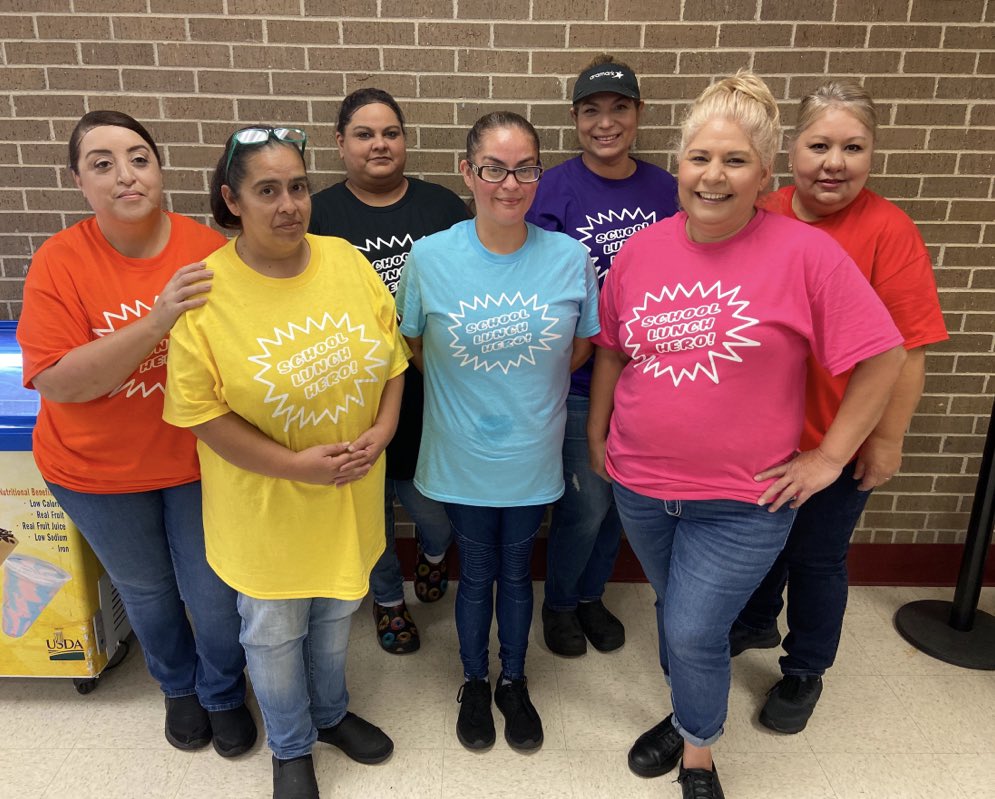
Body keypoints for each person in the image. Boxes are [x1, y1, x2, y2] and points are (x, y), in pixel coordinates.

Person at [588, 72, 907, 799]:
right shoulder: (640, 252)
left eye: (734, 160)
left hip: (743, 499)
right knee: (677, 618)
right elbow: (611, 347)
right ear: (678, 164)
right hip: (642, 485)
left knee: (696, 629)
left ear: (765, 174)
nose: (713, 175)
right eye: (699, 157)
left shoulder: (805, 254)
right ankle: (687, 712)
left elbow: (882, 353)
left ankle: (696, 752)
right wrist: (596, 432)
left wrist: (830, 456)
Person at [163, 125, 403, 799]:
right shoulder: (206, 291)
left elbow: (391, 359)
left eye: (297, 186)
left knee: (332, 625)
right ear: (231, 200)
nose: (289, 204)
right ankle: (291, 746)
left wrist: (383, 428)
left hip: (347, 497)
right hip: (265, 511)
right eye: (266, 190)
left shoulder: (345, 261)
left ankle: (328, 716)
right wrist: (292, 465)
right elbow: (202, 414)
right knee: (271, 636)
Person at [17, 111, 255, 757]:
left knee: (212, 591)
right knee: (147, 591)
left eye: (138, 158)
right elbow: (62, 381)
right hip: (94, 470)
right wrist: (155, 322)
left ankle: (223, 689)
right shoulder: (60, 263)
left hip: (197, 461)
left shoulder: (209, 251)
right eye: (102, 163)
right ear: (79, 182)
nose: (125, 174)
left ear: (159, 168)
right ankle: (177, 686)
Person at [729, 80, 948, 733]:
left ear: (872, 154)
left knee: (816, 556)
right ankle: (753, 619)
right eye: (818, 143)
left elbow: (907, 351)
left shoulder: (888, 231)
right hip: (759, 439)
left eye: (852, 147)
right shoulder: (756, 211)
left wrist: (885, 439)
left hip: (836, 441)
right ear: (788, 149)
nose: (833, 161)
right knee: (758, 545)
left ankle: (804, 670)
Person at [396, 112, 599, 753]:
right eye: (493, 168)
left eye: (525, 169)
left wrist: (529, 395)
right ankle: (474, 682)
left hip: (531, 453)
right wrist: (465, 390)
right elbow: (411, 342)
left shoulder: (569, 258)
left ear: (539, 173)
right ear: (468, 172)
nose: (509, 184)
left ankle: (514, 680)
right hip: (461, 453)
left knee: (516, 569)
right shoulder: (430, 258)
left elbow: (583, 345)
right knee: (477, 568)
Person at [527, 54, 679, 657]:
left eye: (620, 108)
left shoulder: (667, 189)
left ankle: (591, 595)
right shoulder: (553, 189)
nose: (606, 123)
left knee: (624, 501)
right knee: (585, 502)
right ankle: (560, 603)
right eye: (592, 111)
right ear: (575, 118)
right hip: (583, 375)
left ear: (639, 113)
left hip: (649, 378)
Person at [309, 88, 470, 655]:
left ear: (404, 140)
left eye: (390, 133)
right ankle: (388, 600)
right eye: (364, 134)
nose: (379, 144)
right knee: (369, 513)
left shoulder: (444, 208)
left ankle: (431, 554)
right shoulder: (318, 214)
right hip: (352, 397)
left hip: (432, 389)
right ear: (340, 144)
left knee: (433, 509)